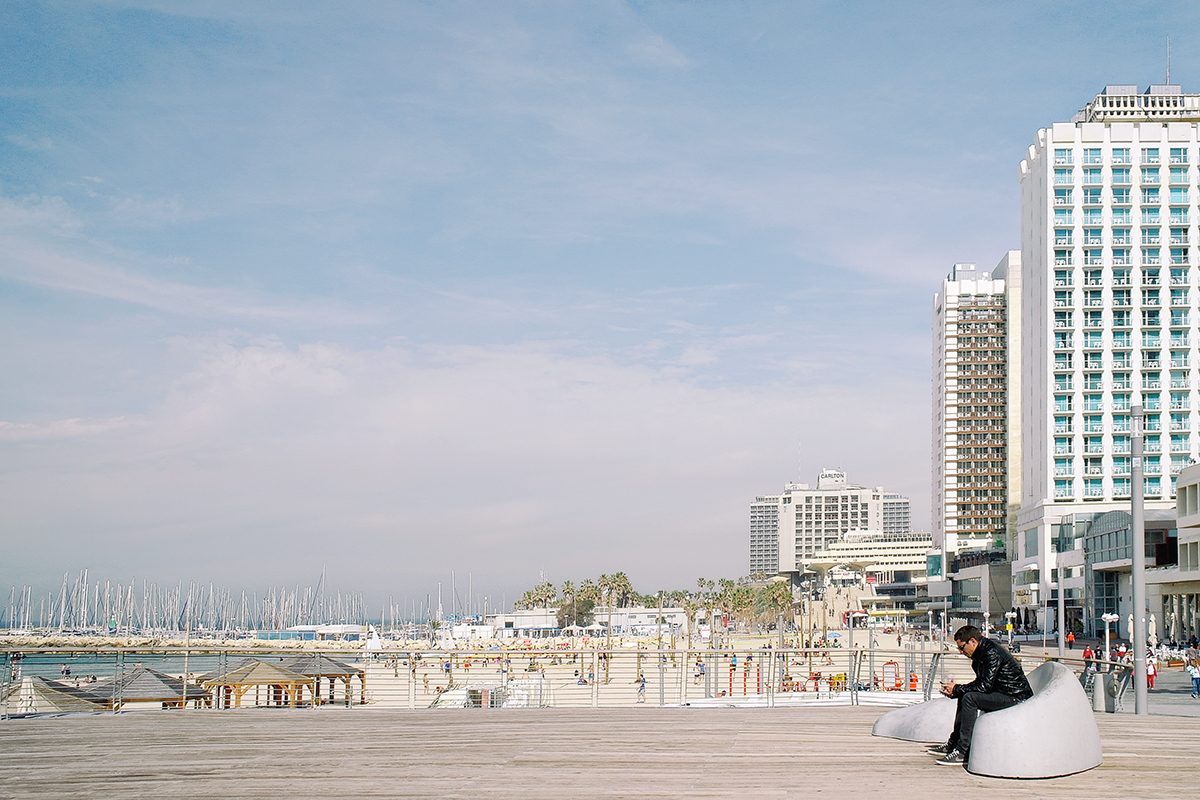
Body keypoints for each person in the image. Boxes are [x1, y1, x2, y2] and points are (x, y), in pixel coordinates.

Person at [928, 625, 1033, 767]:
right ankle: (953, 744)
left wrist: (958, 688)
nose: (961, 652)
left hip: (1016, 697)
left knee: (969, 697)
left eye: (962, 647)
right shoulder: (981, 653)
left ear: (973, 641)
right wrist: (957, 691)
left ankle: (963, 751)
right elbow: (982, 683)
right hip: (1003, 692)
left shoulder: (991, 653)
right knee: (965, 694)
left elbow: (984, 686)